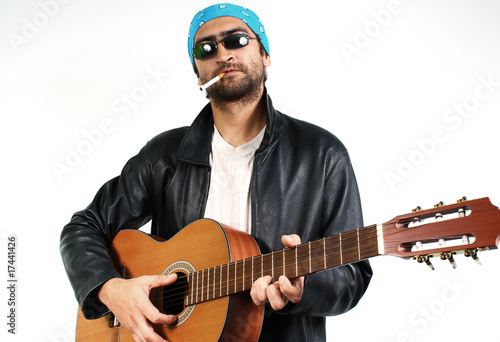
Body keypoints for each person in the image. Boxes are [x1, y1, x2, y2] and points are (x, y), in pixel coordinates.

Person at [60, 3, 373, 342]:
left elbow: (352, 274)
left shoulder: (322, 154)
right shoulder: (164, 156)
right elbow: (83, 228)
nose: (223, 54)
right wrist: (110, 289)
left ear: (265, 54)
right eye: (206, 48)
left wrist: (303, 289)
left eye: (237, 40)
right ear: (198, 74)